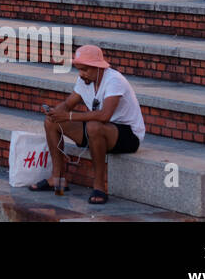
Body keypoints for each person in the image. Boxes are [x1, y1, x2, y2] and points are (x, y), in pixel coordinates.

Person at [32, 45, 144, 204]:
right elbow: (68, 104)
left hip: (128, 135)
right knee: (52, 123)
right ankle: (57, 179)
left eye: (84, 69)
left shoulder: (114, 80)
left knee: (93, 126)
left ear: (97, 67)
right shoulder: (84, 80)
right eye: (79, 69)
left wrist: (69, 116)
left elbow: (105, 115)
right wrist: (55, 112)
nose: (81, 73)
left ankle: (99, 186)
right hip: (98, 130)